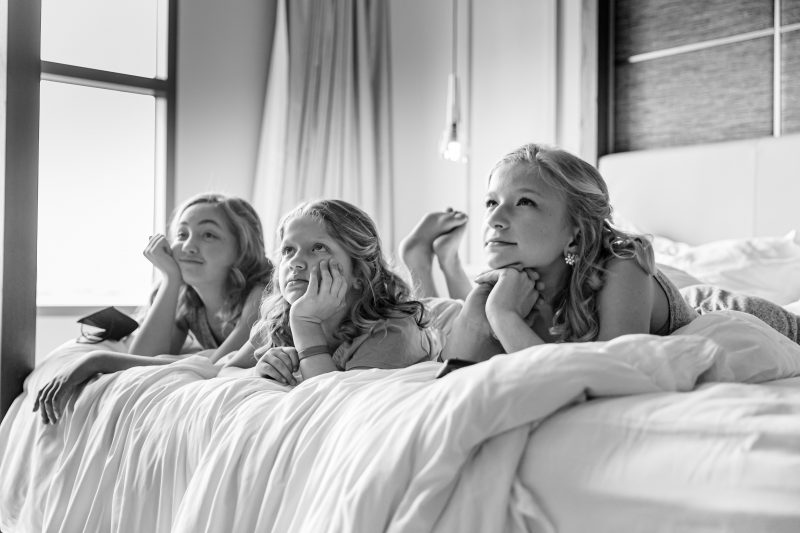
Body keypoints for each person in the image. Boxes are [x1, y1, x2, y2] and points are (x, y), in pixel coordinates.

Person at [404, 143, 701, 361]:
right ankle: (440, 262)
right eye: (491, 203)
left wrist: (504, 316)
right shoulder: (501, 287)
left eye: (524, 202)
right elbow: (453, 378)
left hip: (709, 301)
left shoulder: (623, 268)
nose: (494, 219)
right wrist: (482, 306)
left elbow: (612, 377)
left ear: (576, 233)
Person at [34, 193, 273, 424]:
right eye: (182, 234)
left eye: (208, 235)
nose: (188, 245)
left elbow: (216, 366)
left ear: (242, 248)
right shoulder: (187, 301)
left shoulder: (261, 295)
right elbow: (144, 358)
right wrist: (171, 279)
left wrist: (98, 361)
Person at [221, 199, 440, 384]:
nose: (295, 262)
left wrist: (306, 325)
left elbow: (333, 403)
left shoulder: (393, 332)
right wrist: (259, 370)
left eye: (318, 248)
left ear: (359, 273)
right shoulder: (279, 322)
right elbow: (226, 371)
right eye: (288, 250)